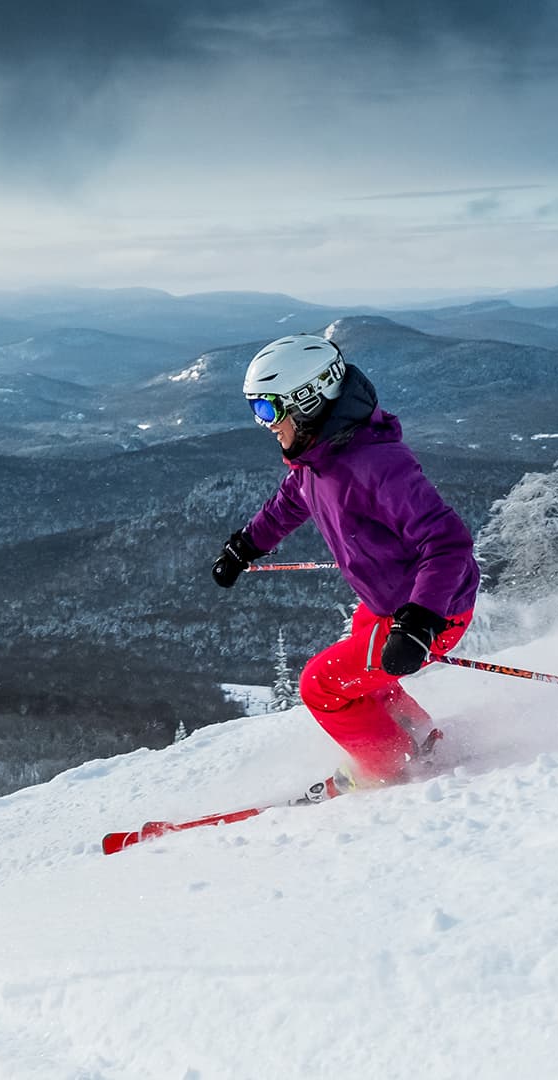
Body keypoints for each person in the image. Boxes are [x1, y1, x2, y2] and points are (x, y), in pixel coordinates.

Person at [213, 333, 480, 786]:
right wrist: (245, 546)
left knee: (320, 685)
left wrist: (418, 622)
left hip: (434, 612)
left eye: (267, 409)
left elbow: (448, 542)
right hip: (387, 605)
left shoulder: (377, 464)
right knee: (368, 673)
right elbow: (290, 503)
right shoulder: (318, 459)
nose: (265, 424)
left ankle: (388, 768)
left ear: (307, 400)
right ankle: (419, 738)